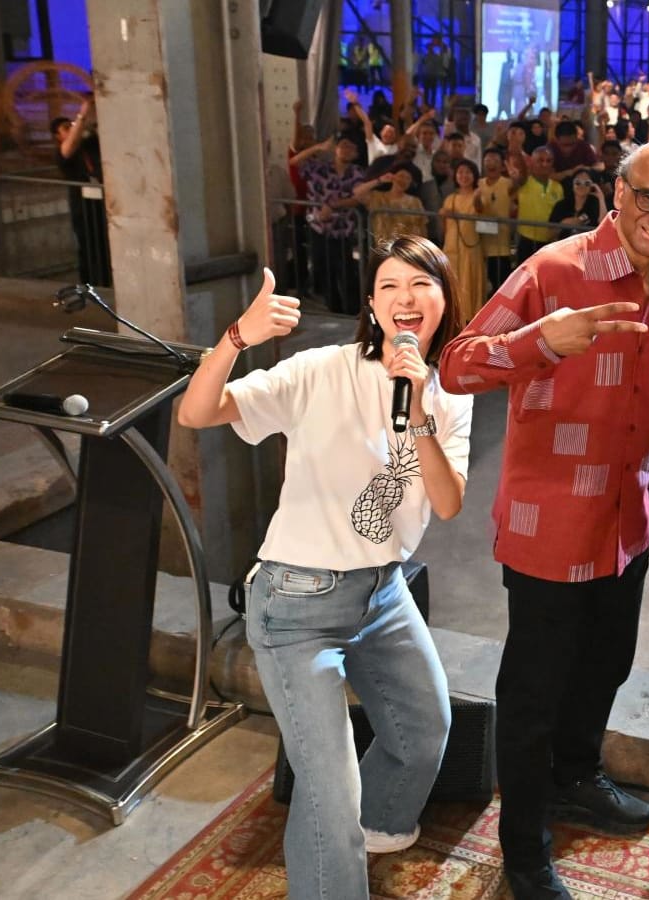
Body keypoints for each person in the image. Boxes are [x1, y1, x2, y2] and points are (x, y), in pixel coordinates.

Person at [437, 141, 649, 900]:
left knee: (605, 665)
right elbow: (455, 364)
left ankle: (575, 777)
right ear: (616, 193)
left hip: (628, 523)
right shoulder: (553, 271)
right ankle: (524, 849)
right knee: (534, 696)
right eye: (648, 197)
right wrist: (539, 342)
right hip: (551, 525)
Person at [175, 237, 470, 899]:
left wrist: (420, 411)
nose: (404, 298)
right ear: (371, 304)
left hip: (384, 592)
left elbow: (448, 503)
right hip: (296, 602)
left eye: (420, 284)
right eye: (389, 285)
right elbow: (196, 412)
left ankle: (379, 826)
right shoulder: (320, 370)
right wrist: (236, 338)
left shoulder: (449, 391)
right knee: (329, 798)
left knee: (425, 729)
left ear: (445, 298)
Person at [297, 132, 367, 314]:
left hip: (343, 229)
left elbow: (357, 198)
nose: (346, 150)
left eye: (351, 147)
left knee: (345, 269)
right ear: (336, 148)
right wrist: (318, 147)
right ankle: (333, 308)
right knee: (323, 269)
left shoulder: (357, 172)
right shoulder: (321, 168)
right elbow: (295, 162)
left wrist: (333, 206)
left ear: (356, 153)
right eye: (343, 145)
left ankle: (352, 310)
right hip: (318, 227)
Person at [53, 99, 112, 287]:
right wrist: (82, 115)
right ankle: (90, 284)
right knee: (88, 245)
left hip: (101, 203)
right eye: (65, 128)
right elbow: (68, 148)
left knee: (105, 245)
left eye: (71, 125)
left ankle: (106, 281)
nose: (71, 128)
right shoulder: (64, 152)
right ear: (57, 136)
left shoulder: (88, 144)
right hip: (82, 206)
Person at [440, 159, 489, 321]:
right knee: (453, 284)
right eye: (460, 172)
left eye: (468, 172)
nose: (464, 176)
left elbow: (481, 210)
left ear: (474, 175)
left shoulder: (479, 196)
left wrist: (477, 198)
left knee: (470, 283)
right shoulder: (450, 198)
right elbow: (445, 226)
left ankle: (471, 319)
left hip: (471, 248)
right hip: (452, 248)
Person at [513, 146, 565, 264]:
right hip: (526, 240)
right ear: (532, 162)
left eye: (548, 161)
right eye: (540, 160)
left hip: (549, 242)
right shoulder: (523, 183)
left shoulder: (558, 187)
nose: (545, 164)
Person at [477, 148, 517, 294]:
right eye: (487, 160)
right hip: (480, 246)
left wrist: (516, 178)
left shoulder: (507, 183)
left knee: (500, 289)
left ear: (502, 166)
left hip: (501, 247)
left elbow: (517, 185)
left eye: (495, 161)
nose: (491, 164)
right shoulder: (478, 184)